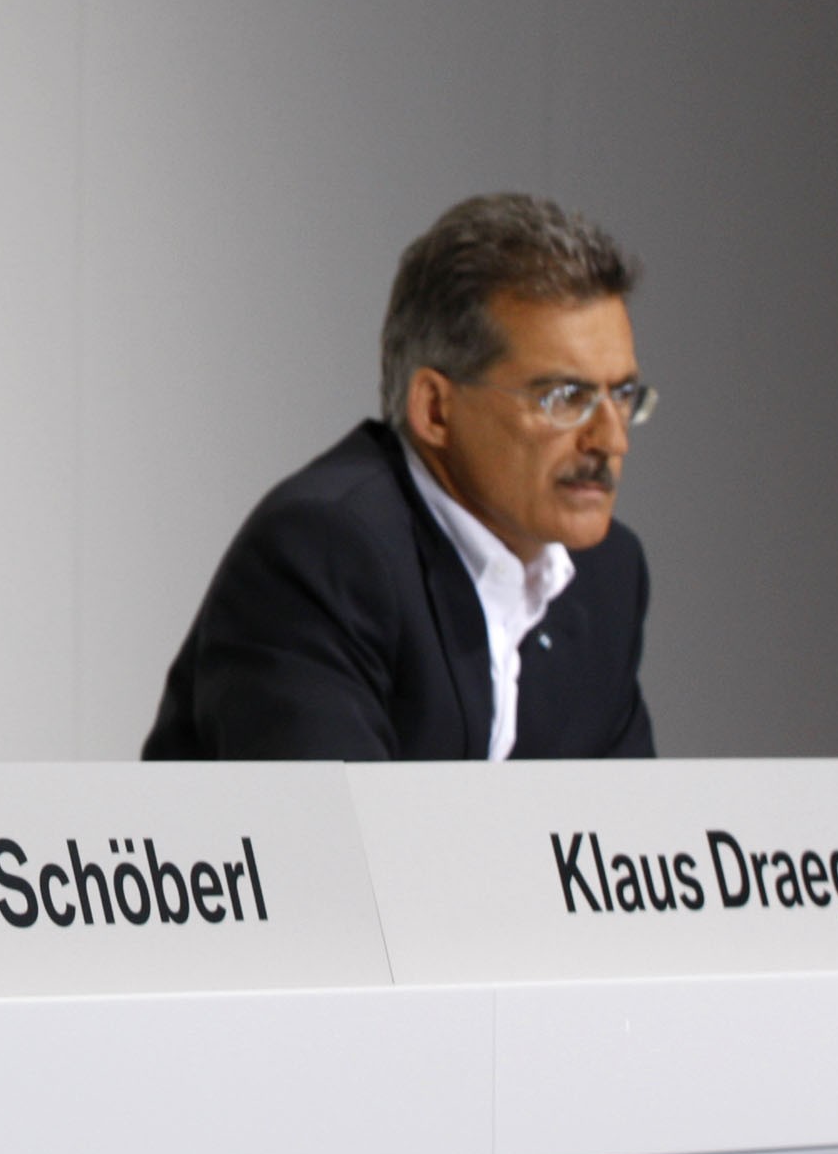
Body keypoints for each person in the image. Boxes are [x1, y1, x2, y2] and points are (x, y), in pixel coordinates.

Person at [144, 191, 658, 761]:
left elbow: (628, 816)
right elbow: (327, 814)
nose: (611, 440)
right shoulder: (325, 554)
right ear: (435, 409)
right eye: (564, 398)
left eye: (622, 395)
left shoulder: (606, 575)